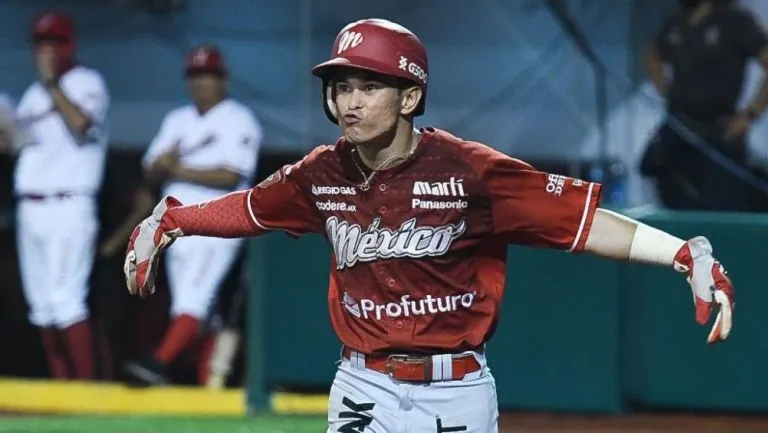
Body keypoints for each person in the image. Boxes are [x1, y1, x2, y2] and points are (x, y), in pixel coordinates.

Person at [123, 19, 734, 432]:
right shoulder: (322, 172)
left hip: (456, 389)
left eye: (368, 86)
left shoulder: (472, 171)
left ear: (410, 98)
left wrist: (683, 254)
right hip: (363, 384)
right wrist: (174, 221)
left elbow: (582, 224)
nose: (349, 102)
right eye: (340, 87)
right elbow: (251, 208)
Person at [103, 44, 262, 385]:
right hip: (175, 225)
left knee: (196, 297)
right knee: (192, 306)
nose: (201, 82)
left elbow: (231, 175)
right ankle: (209, 383)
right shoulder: (178, 119)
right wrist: (168, 168)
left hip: (219, 223)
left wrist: (177, 167)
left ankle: (159, 362)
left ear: (223, 79)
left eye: (208, 75)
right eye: (195, 75)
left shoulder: (238, 119)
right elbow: (151, 166)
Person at [8, 11, 110, 380]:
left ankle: (83, 393)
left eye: (53, 43)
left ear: (68, 46)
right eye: (41, 44)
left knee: (67, 301)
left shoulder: (86, 82)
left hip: (69, 202)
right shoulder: (33, 94)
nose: (46, 51)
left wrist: (53, 84)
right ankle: (61, 393)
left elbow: (81, 124)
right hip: (30, 204)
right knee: (42, 307)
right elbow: (20, 145)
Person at [642, 0, 768, 211]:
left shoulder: (735, 20)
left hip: (719, 129)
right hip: (679, 125)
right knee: (657, 173)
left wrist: (750, 115)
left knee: (722, 200)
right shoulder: (677, 21)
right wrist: (664, 87)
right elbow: (652, 54)